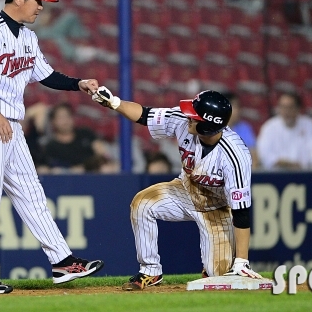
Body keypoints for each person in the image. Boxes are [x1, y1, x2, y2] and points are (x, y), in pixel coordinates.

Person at [0, 0, 104, 294]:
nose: (42, 7)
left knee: (31, 193)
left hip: (11, 125)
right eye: (38, 0)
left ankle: (61, 261)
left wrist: (77, 84)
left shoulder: (28, 37)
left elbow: (46, 75)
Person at [91, 88, 262, 290]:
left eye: (195, 116)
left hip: (217, 209)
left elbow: (241, 211)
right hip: (185, 190)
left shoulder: (235, 155)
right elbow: (145, 115)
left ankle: (215, 267)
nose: (188, 116)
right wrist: (115, 103)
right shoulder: (183, 119)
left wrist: (241, 260)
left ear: (208, 125)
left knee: (219, 277)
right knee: (142, 203)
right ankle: (150, 271)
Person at [256, 92, 312, 171]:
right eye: (283, 107)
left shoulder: (308, 125)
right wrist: (288, 164)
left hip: (304, 174)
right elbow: (265, 156)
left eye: (290, 107)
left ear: (298, 109)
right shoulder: (269, 127)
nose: (286, 111)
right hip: (276, 175)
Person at [40, 102, 109, 174]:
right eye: (60, 117)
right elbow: (48, 169)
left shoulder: (85, 134)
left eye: (67, 116)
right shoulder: (51, 147)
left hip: (92, 176)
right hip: (67, 180)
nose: (65, 121)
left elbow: (102, 152)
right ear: (53, 121)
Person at [224, 92, 259, 170]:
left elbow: (254, 158)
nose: (239, 110)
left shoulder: (245, 128)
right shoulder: (212, 130)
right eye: (236, 107)